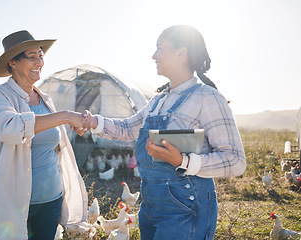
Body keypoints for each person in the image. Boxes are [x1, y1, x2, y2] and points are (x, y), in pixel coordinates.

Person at [81, 25, 246, 239]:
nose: (153, 55)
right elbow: (128, 129)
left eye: (159, 48)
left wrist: (184, 161)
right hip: (151, 205)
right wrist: (92, 121)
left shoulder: (208, 98)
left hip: (186, 207)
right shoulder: (158, 101)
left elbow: (235, 160)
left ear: (181, 52)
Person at [0, 30, 89, 240]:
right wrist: (66, 116)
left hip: (51, 199)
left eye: (41, 56)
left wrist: (74, 124)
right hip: (12, 203)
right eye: (32, 57)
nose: (39, 62)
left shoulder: (45, 99)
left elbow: (52, 138)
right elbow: (10, 129)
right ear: (13, 62)